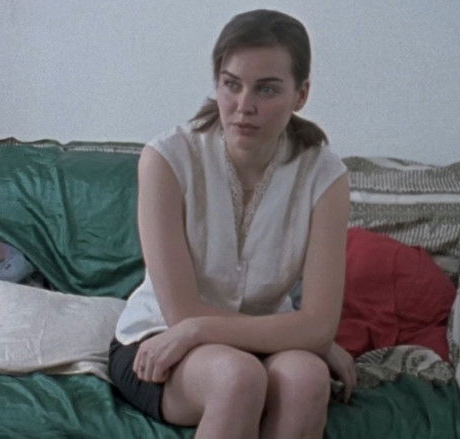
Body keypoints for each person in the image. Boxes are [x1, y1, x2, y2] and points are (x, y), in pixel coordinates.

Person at [109, 9, 355, 439]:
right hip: (162, 339)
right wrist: (302, 335)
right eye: (231, 84)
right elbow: (181, 314)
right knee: (238, 378)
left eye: (267, 89)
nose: (244, 107)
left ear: (301, 94)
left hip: (250, 341)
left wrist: (205, 327)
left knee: (307, 379)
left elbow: (319, 325)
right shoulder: (167, 159)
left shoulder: (325, 176)